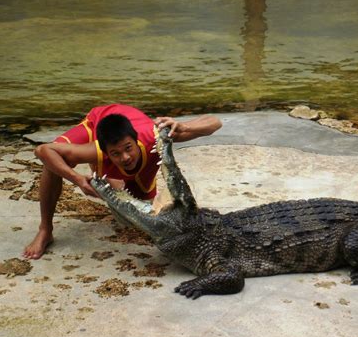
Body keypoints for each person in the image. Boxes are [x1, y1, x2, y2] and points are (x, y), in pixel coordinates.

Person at [23, 104, 222, 259]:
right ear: (106, 152)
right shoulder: (98, 149)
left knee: (138, 212)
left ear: (136, 141)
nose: (125, 157)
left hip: (135, 138)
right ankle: (45, 230)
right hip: (99, 124)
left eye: (128, 148)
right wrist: (77, 179)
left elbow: (214, 122)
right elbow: (43, 151)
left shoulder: (154, 137)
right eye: (116, 154)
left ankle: (108, 176)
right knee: (53, 162)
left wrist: (184, 126)